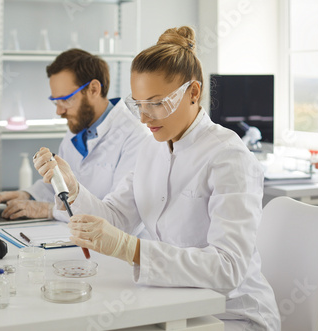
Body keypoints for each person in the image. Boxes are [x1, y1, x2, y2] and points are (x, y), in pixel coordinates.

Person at [33, 27, 280, 330]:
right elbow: (116, 218)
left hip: (229, 314)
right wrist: (72, 188)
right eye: (138, 104)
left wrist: (131, 249)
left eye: (157, 102)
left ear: (193, 92)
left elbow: (228, 269)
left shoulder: (230, 158)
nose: (144, 117)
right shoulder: (153, 147)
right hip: (171, 302)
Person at [0, 49, 148, 221]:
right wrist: (26, 195)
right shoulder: (79, 128)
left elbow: (117, 217)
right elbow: (60, 186)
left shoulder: (136, 136)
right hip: (73, 234)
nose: (59, 111)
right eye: (56, 101)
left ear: (94, 89)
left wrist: (49, 210)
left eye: (65, 100)